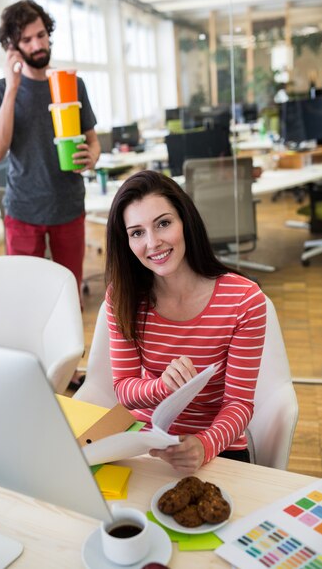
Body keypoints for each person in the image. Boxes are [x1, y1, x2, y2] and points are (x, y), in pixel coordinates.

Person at [105, 170, 267, 475]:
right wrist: (162, 386)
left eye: (163, 223)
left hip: (216, 444)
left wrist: (203, 446)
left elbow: (238, 404)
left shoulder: (244, 300)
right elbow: (124, 389)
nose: (153, 243)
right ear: (125, 241)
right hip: (146, 442)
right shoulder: (122, 296)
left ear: (185, 222)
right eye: (137, 232)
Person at [0, 0, 100, 295]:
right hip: (23, 209)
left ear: (49, 33)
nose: (37, 44)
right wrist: (12, 87)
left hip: (69, 205)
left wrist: (92, 156)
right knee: (26, 294)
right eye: (26, 39)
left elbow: (93, 140)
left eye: (41, 35)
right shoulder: (2, 89)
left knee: (68, 291)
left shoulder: (73, 84)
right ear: (13, 47)